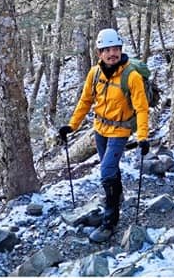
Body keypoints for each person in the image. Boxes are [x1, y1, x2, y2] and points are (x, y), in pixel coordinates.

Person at [58, 28, 150, 241]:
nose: (112, 54)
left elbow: (142, 108)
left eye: (116, 49)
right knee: (110, 171)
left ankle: (110, 221)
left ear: (121, 50)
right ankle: (115, 198)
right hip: (99, 129)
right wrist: (72, 126)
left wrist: (142, 137)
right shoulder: (95, 73)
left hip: (120, 130)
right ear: (99, 53)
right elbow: (85, 101)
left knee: (106, 171)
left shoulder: (132, 76)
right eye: (107, 50)